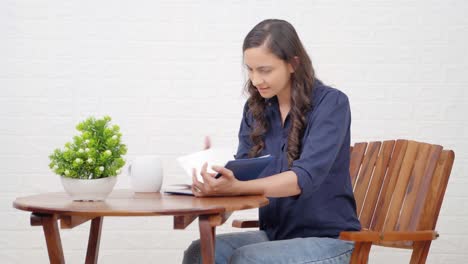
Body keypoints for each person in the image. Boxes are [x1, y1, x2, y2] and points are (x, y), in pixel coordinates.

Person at [183, 19, 361, 264]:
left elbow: (303, 178)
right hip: (276, 236)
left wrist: (236, 188)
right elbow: (241, 178)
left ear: (293, 63)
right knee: (200, 252)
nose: (256, 80)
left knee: (248, 258)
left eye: (265, 70)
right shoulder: (256, 109)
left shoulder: (331, 104)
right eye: (250, 69)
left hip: (331, 240)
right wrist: (214, 181)